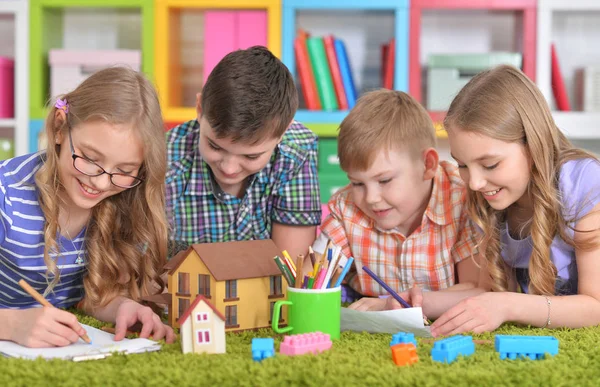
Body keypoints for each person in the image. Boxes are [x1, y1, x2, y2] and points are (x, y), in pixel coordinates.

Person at [404, 65, 600, 336]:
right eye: (462, 164)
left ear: (533, 145)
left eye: (490, 164)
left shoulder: (583, 182)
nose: (473, 183)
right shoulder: (489, 196)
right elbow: (487, 295)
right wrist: (406, 303)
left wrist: (507, 305)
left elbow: (595, 306)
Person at [0, 67, 175, 347]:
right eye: (91, 158)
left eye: (124, 169)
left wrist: (120, 306)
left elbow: (88, 296)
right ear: (60, 128)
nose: (102, 183)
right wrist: (11, 324)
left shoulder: (123, 200)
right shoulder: (6, 196)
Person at [314, 89, 480, 311]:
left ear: (427, 165)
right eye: (357, 183)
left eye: (384, 180)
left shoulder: (461, 199)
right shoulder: (347, 208)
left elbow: (476, 290)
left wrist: (389, 306)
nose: (371, 199)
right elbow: (312, 275)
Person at [165, 46, 321, 259]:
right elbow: (142, 267)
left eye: (251, 156)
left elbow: (293, 266)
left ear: (285, 131)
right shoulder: (166, 159)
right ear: (200, 109)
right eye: (215, 146)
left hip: (271, 290)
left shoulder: (297, 153)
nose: (229, 168)